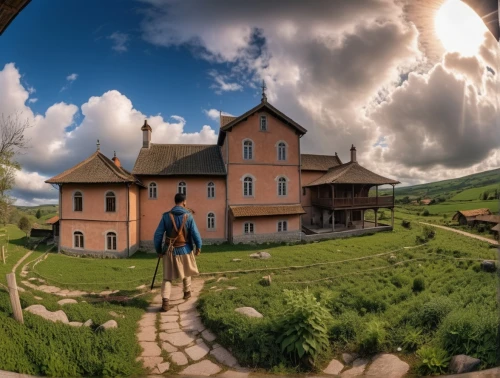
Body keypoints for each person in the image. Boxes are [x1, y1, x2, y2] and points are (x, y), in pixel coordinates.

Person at [154, 192, 202, 312]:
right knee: (186, 271)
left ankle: (165, 301)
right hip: (185, 249)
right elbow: (195, 233)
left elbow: (158, 235)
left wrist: (159, 250)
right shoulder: (189, 216)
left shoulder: (166, 216)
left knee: (167, 278)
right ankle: (187, 292)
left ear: (175, 202)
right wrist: (198, 247)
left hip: (169, 251)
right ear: (184, 202)